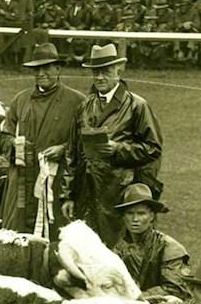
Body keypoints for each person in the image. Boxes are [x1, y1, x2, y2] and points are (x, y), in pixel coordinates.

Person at [58, 43, 163, 246]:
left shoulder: (137, 106)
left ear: (119, 71)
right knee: (87, 250)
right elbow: (72, 153)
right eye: (96, 72)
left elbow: (153, 148)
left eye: (106, 71)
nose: (100, 77)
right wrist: (67, 195)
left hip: (121, 193)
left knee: (122, 249)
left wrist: (119, 149)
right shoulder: (84, 107)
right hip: (86, 193)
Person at [0, 42, 84, 234]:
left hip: (57, 179)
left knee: (55, 233)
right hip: (21, 179)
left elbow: (85, 141)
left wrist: (63, 148)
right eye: (36, 69)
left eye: (46, 68)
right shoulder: (21, 100)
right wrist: (15, 145)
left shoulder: (77, 101)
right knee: (17, 232)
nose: (41, 74)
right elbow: (4, 135)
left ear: (58, 69)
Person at [112, 183, 190, 299]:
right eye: (130, 214)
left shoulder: (169, 247)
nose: (135, 219)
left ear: (152, 216)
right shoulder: (118, 250)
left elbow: (174, 289)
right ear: (123, 217)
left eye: (141, 214)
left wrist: (138, 297)